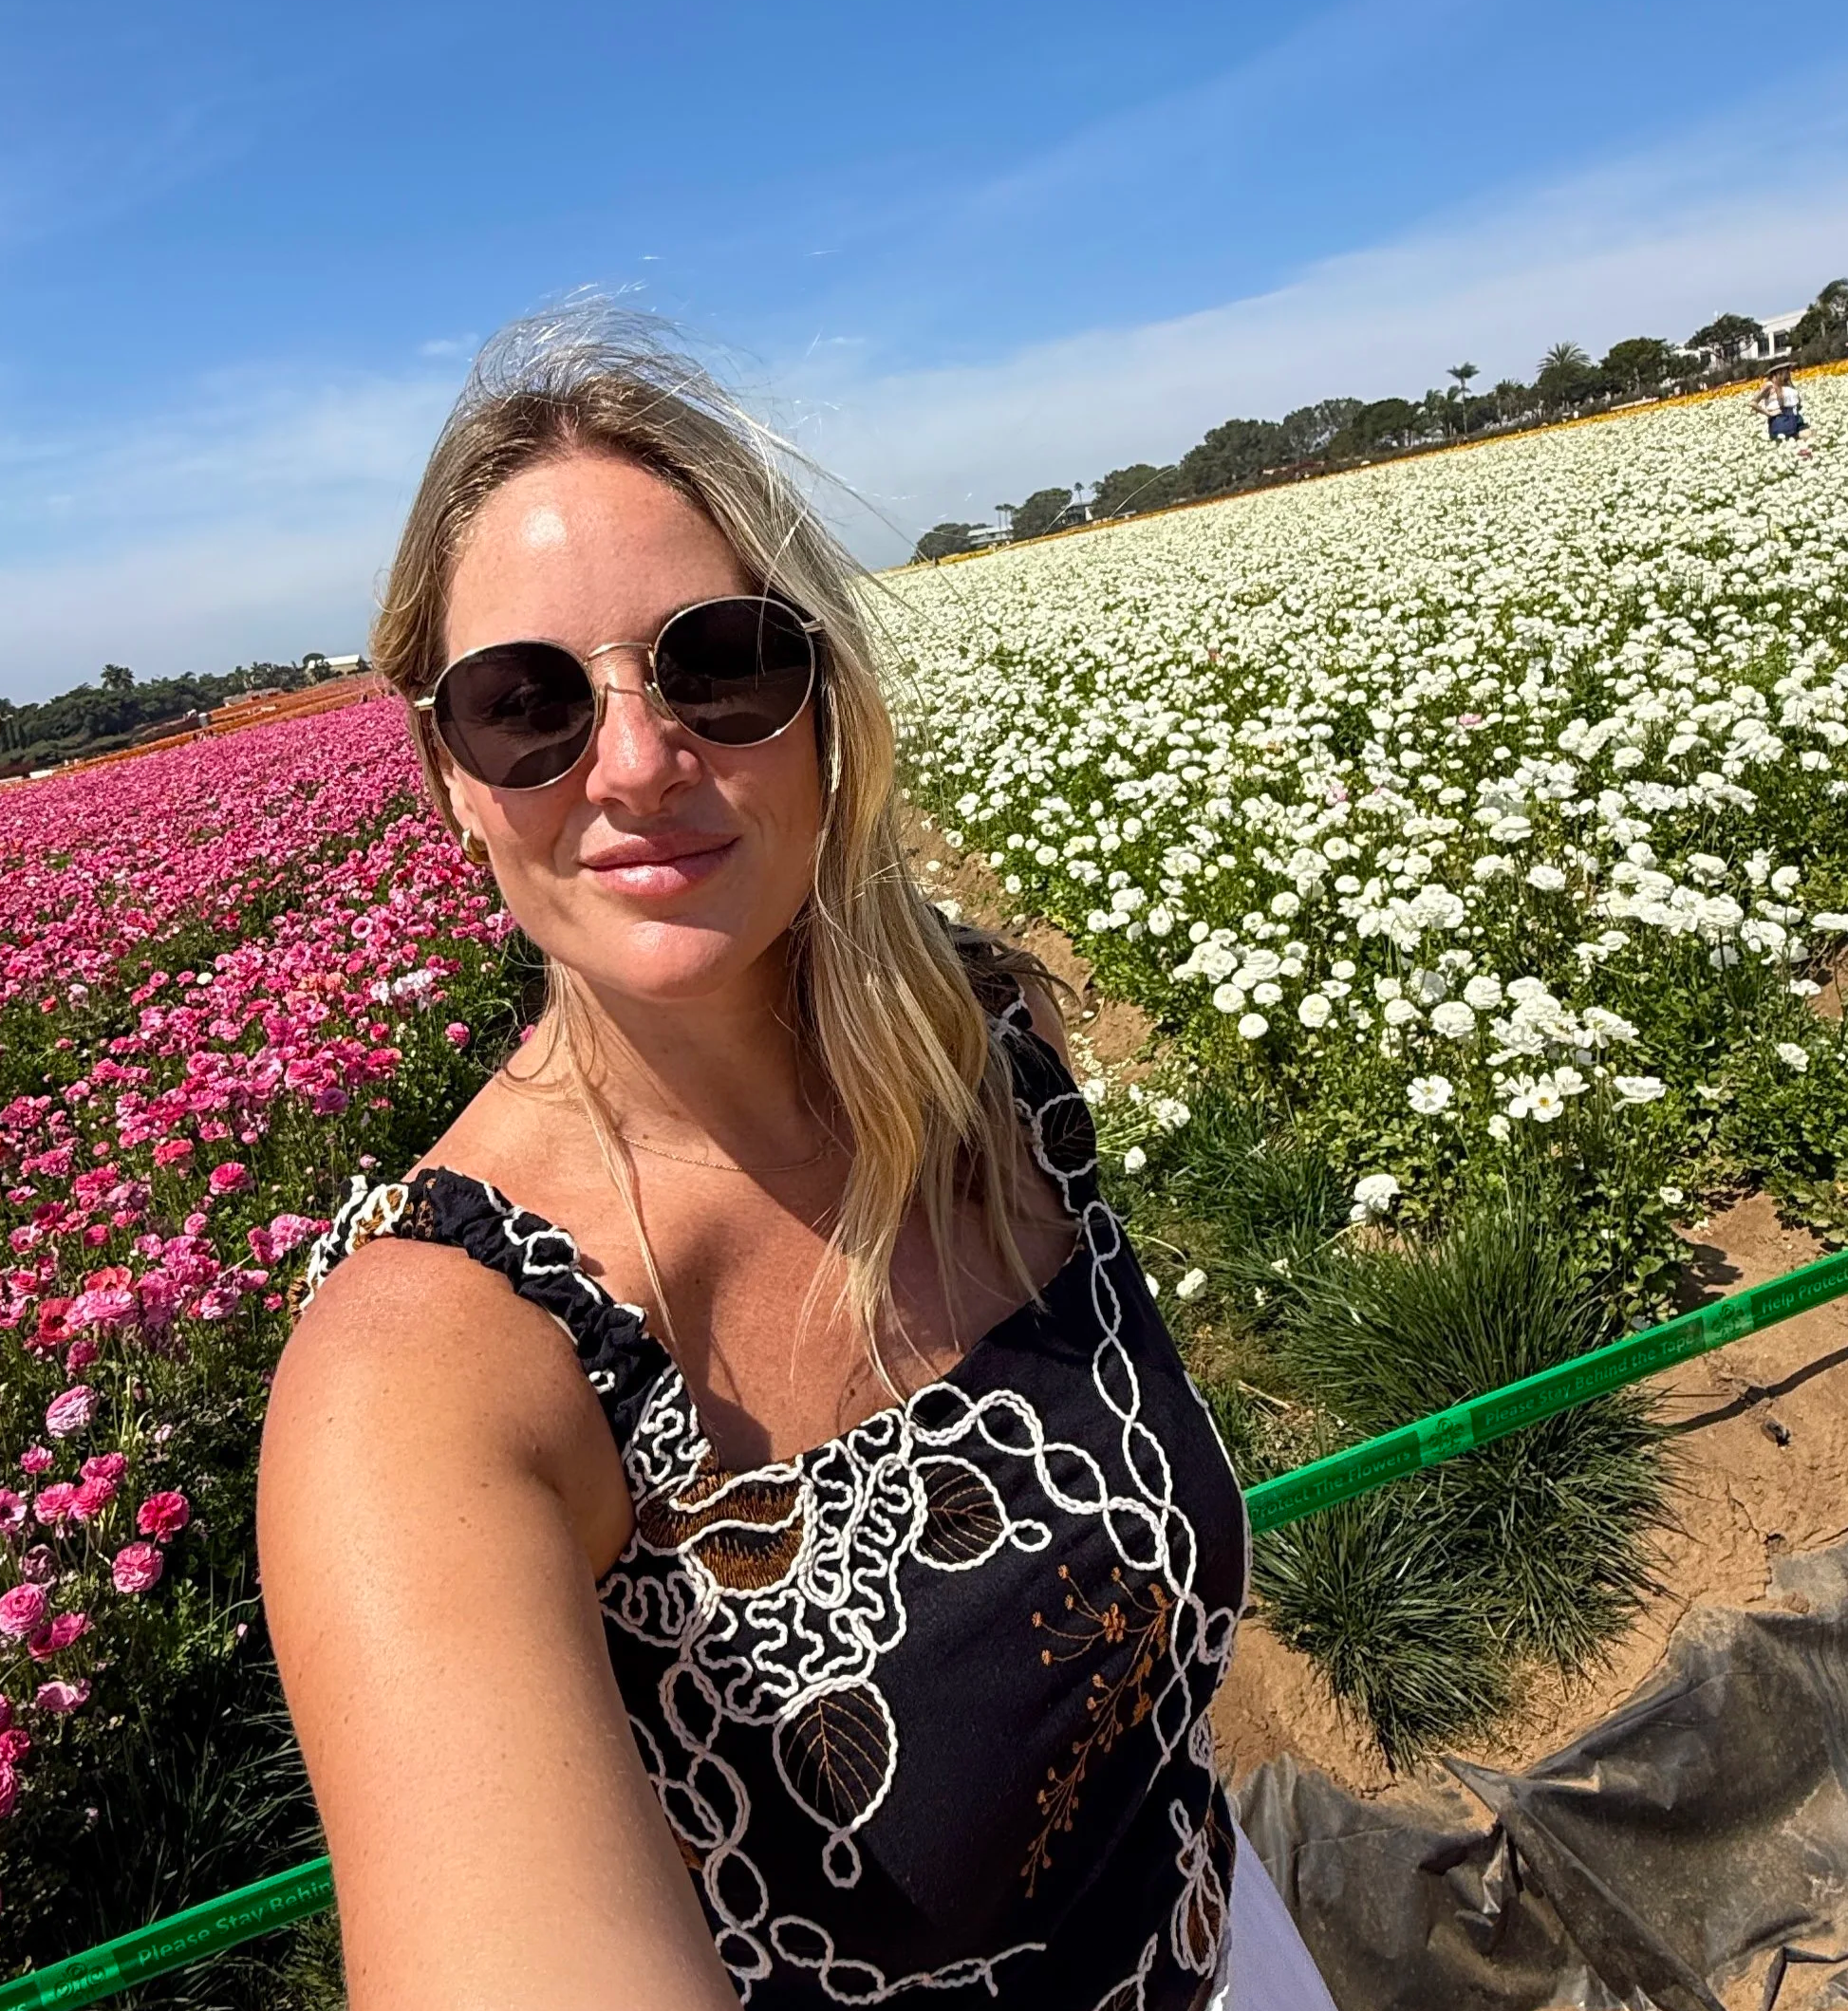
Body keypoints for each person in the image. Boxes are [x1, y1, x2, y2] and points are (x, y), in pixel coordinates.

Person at [257, 315, 1335, 2011]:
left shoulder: (982, 1051)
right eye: (526, 702)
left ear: (824, 698)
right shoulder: (423, 1385)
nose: (633, 762)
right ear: (452, 777)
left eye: (720, 663)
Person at [1753, 363, 1806, 440]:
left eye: (1788, 369)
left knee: (1809, 439)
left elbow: (1798, 403)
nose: (1788, 372)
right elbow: (1753, 403)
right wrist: (1768, 413)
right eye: (1786, 370)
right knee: (1792, 443)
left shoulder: (1788, 384)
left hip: (1795, 418)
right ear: (1778, 372)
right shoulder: (1770, 386)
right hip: (1781, 421)